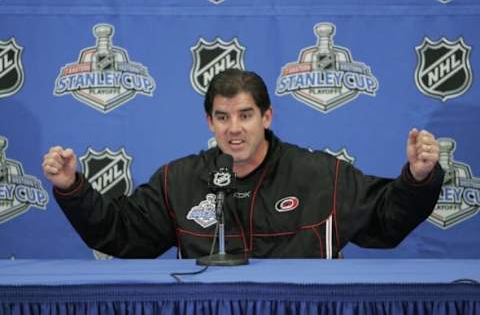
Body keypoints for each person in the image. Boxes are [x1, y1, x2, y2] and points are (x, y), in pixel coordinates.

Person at [42, 69, 444, 259]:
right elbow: (121, 233)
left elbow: (385, 223)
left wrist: (417, 179)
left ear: (267, 117)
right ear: (209, 122)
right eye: (222, 117)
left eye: (245, 115)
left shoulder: (321, 175)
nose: (234, 129)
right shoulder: (179, 179)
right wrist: (71, 187)